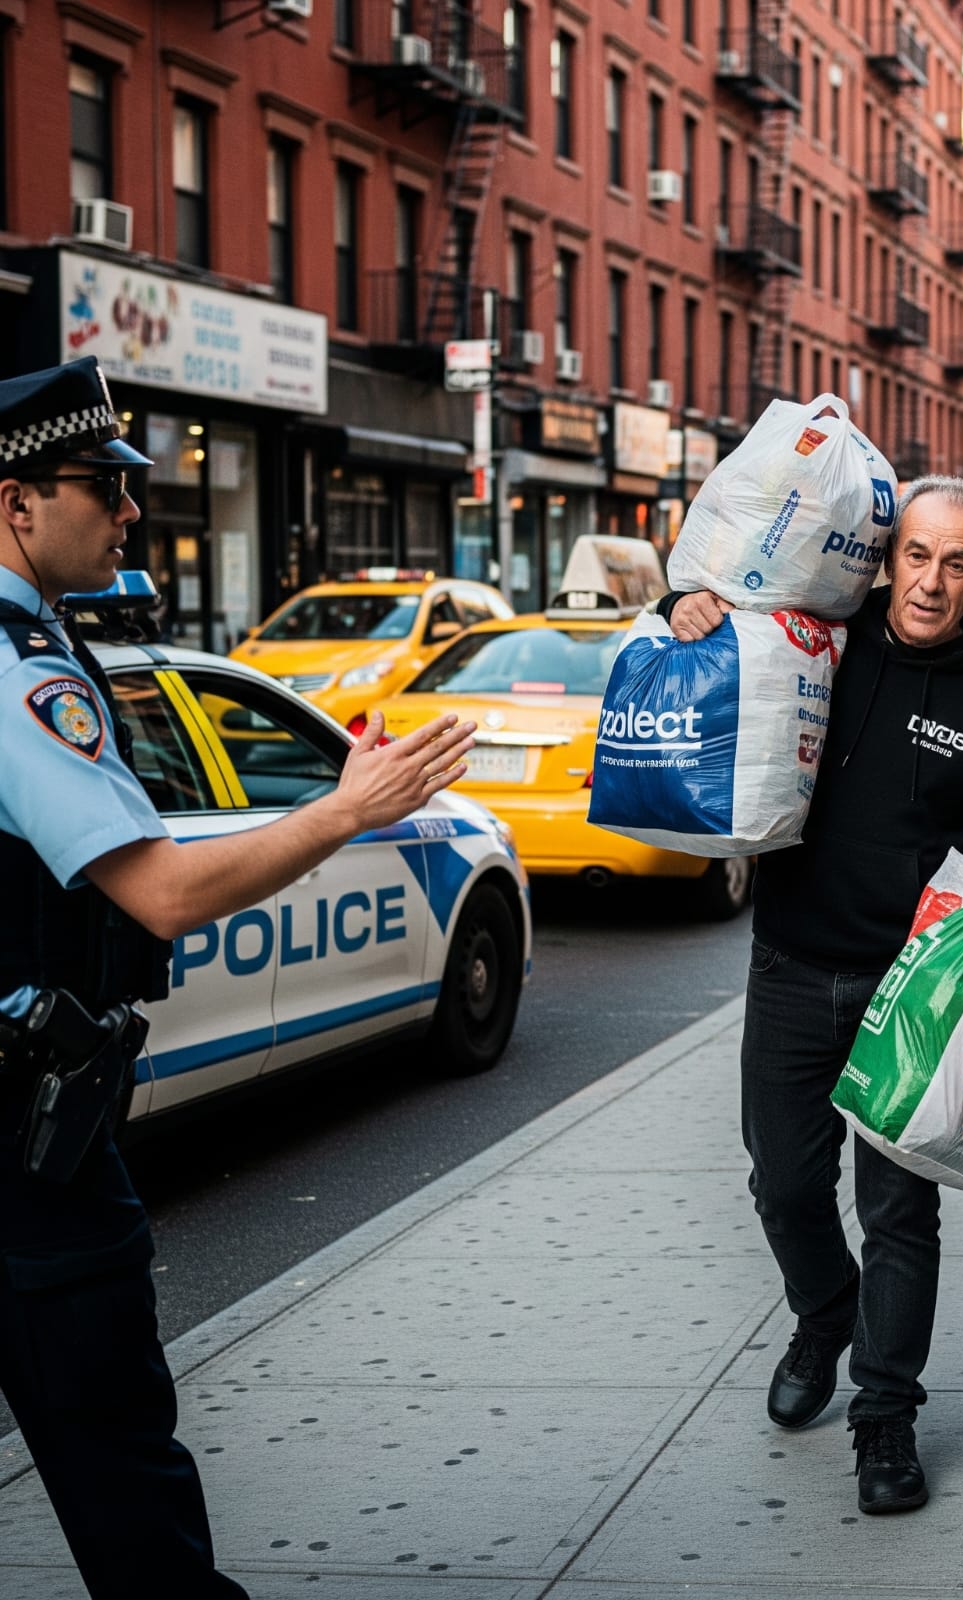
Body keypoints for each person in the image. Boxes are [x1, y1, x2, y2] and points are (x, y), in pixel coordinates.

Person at [0, 357, 477, 1599]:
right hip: (24, 1150)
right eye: (103, 484)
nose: (129, 508)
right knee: (121, 1466)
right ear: (15, 502)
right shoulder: (16, 669)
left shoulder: (42, 636)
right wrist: (345, 810)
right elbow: (158, 889)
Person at [662, 476, 963, 1515]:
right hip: (788, 962)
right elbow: (713, 632)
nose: (931, 580)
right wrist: (681, 609)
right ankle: (823, 1313)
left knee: (898, 1212)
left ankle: (885, 1420)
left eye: (956, 561)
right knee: (782, 1186)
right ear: (888, 559)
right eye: (916, 554)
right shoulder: (820, 636)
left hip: (906, 991)